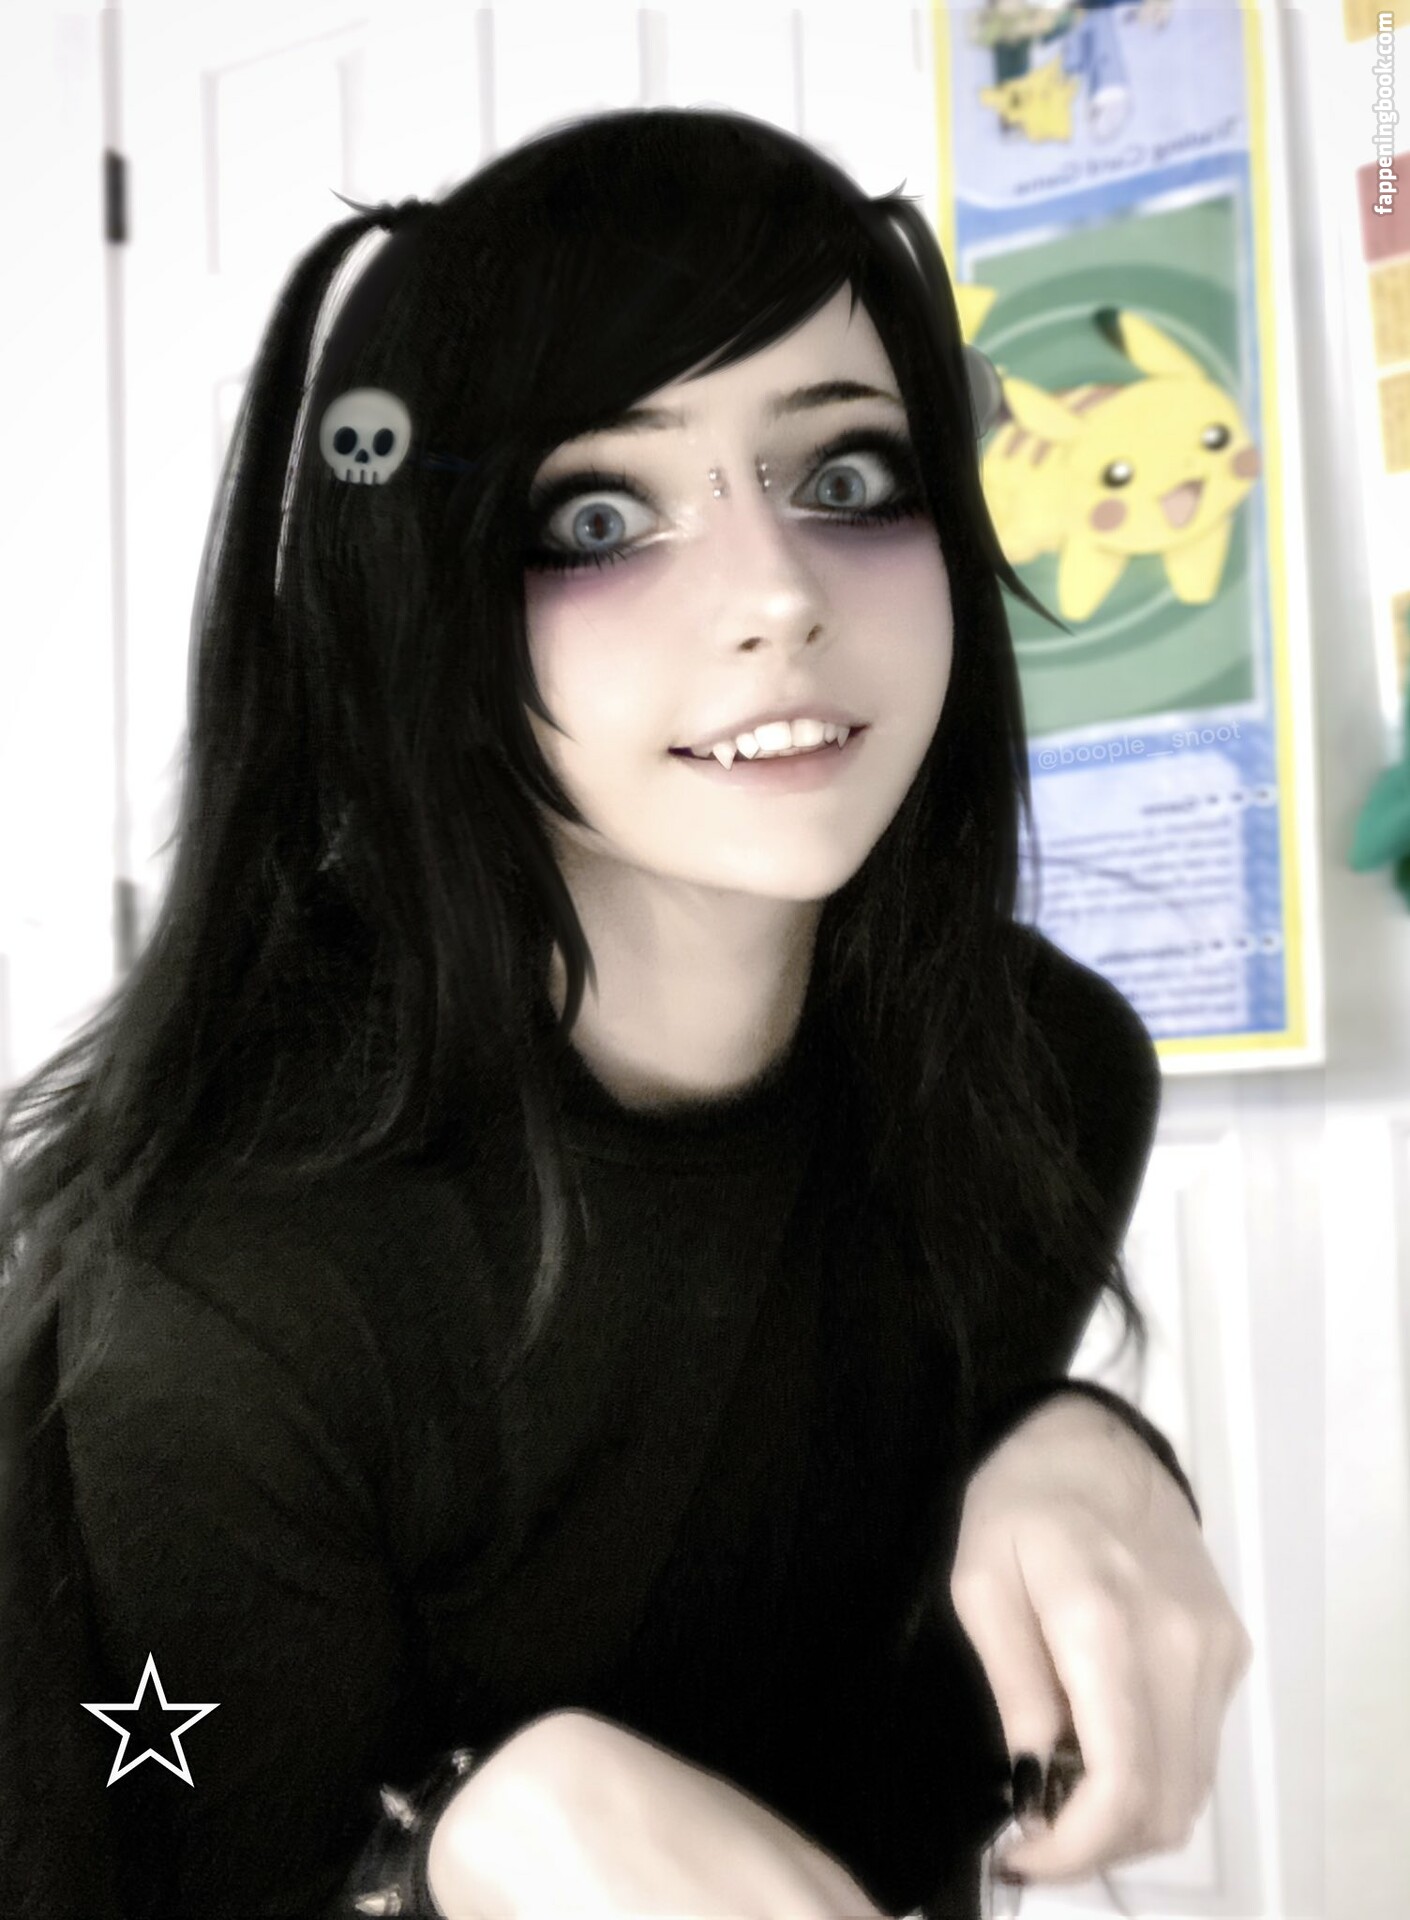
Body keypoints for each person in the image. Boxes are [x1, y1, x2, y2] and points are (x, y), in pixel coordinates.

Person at [0, 107, 1250, 1920]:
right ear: (424, 613)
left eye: (848, 477)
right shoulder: (225, 1293)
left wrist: (1063, 1443)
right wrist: (455, 1851)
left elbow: (852, 1657)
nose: (777, 596)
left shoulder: (1034, 1076)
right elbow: (180, 1823)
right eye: (595, 516)